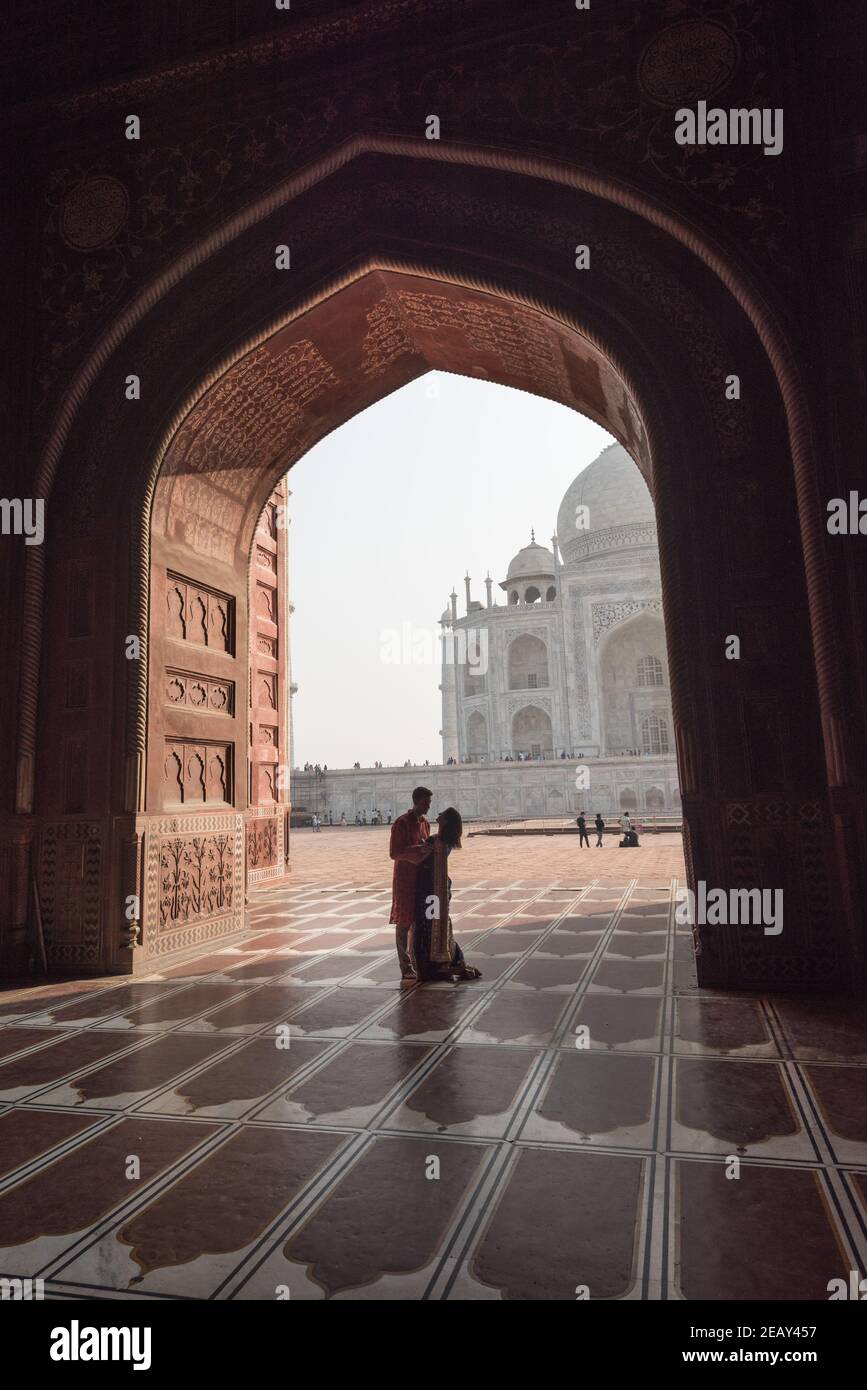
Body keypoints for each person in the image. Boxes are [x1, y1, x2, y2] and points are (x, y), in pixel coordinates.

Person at [411, 807, 482, 982]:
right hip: (440, 892)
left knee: (428, 927)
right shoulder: (446, 842)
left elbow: (419, 859)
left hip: (430, 893)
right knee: (440, 926)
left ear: (446, 821)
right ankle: (449, 961)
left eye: (442, 814)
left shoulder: (435, 841)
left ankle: (433, 965)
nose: (438, 814)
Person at [389, 787, 433, 987]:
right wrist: (419, 849)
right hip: (405, 879)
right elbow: (394, 853)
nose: (428, 806)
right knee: (404, 923)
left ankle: (417, 963)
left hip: (421, 879)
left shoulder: (425, 824)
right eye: (425, 802)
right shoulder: (401, 823)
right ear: (416, 801)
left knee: (418, 923)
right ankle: (405, 966)